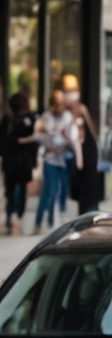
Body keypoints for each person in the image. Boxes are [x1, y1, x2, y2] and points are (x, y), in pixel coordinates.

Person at [33, 89, 79, 232]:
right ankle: (41, 222)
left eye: (62, 103)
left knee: (63, 189)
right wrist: (48, 137)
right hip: (50, 159)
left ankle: (57, 219)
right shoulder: (46, 117)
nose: (60, 106)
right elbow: (38, 136)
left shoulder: (67, 116)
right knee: (49, 191)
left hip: (63, 158)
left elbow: (72, 135)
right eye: (57, 104)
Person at [61, 76, 105, 212]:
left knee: (88, 187)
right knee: (80, 187)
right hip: (78, 154)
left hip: (86, 153)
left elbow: (89, 132)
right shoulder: (67, 114)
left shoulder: (80, 110)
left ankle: (89, 211)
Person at [2, 88, 38, 235]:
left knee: (12, 189)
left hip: (14, 160)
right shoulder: (20, 119)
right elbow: (34, 141)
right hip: (20, 160)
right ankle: (16, 214)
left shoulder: (9, 120)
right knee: (18, 189)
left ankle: (13, 214)